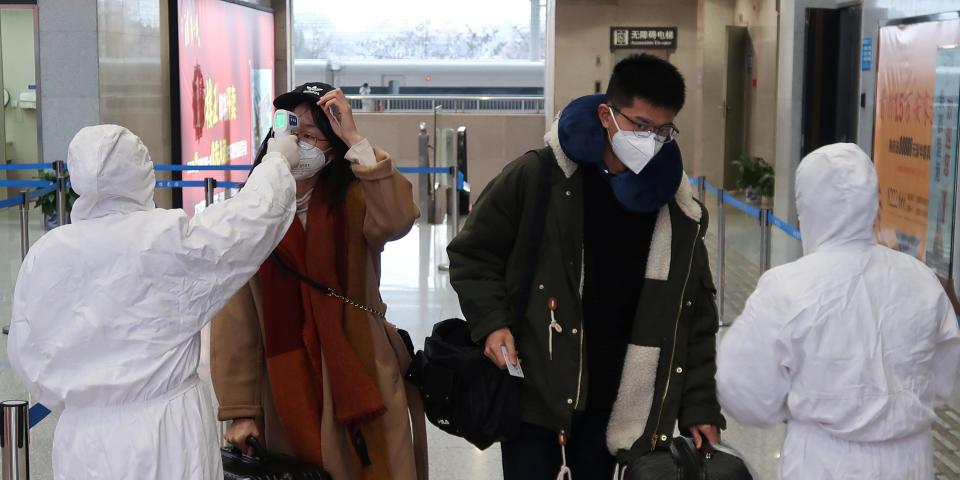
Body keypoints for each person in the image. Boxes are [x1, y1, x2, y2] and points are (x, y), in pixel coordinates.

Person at [447, 54, 724, 479]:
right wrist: (492, 322)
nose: (650, 139)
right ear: (606, 114)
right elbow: (473, 253)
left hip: (623, 409)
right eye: (640, 126)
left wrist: (699, 404)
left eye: (663, 130)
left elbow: (697, 313)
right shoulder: (539, 177)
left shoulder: (674, 207)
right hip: (538, 399)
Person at [7, 124, 300, 479]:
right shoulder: (163, 239)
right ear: (139, 173)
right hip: (166, 431)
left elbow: (27, 354)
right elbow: (247, 223)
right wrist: (278, 160)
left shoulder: (47, 254)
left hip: (83, 438)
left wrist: (87, 398)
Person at [210, 82, 425, 480]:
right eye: (292, 133)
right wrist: (240, 411)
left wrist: (355, 139)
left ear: (331, 151)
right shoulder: (250, 212)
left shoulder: (356, 200)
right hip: (286, 384)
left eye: (311, 136)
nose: (298, 144)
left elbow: (398, 218)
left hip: (363, 370)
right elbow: (234, 320)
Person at [716, 143, 960, 480]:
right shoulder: (920, 279)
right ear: (873, 202)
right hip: (911, 459)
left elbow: (742, 390)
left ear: (809, 208)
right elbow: (943, 374)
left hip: (824, 461)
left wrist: (801, 403)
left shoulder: (788, 287)